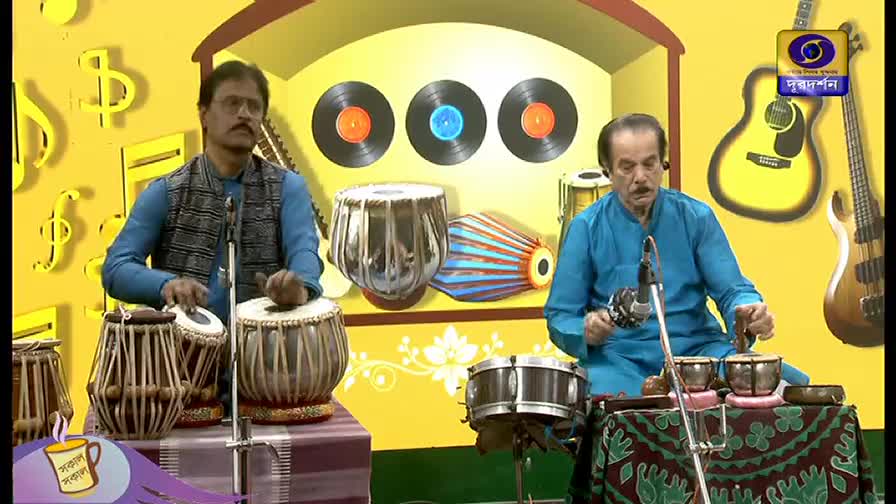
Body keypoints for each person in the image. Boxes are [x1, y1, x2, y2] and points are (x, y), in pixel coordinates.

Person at [102, 60, 324, 410]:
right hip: (179, 379)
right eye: (232, 103)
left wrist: (300, 284)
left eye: (254, 107)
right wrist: (166, 286)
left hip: (270, 376)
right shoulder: (166, 191)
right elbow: (115, 269)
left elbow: (305, 253)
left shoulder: (288, 188)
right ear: (204, 114)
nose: (245, 114)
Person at [544, 113, 810, 397]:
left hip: (699, 353)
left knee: (776, 383)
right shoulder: (586, 228)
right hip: (619, 359)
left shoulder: (695, 217)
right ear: (607, 171)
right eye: (627, 167)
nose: (641, 177)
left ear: (663, 164)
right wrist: (584, 330)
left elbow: (734, 290)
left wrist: (749, 311)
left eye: (650, 164)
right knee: (585, 393)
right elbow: (560, 315)